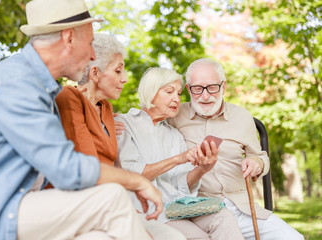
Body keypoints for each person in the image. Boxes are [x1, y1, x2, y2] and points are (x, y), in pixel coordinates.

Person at [0, 0, 164, 239]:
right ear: (69, 38)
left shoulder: (42, 88)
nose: (92, 56)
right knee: (112, 197)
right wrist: (138, 182)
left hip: (23, 204)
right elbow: (67, 168)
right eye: (89, 44)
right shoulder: (15, 82)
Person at [55, 33, 186, 240]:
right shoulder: (69, 98)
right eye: (118, 71)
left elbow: (116, 166)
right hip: (85, 201)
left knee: (175, 237)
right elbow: (89, 167)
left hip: (113, 201)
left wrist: (128, 202)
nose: (124, 78)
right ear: (95, 74)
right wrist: (137, 185)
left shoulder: (106, 108)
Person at [167, 58, 305, 240]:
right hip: (197, 209)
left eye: (212, 87)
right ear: (188, 89)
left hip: (241, 207)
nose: (205, 96)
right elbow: (147, 120)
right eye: (198, 88)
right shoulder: (174, 115)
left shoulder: (242, 117)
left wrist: (256, 163)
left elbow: (260, 156)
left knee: (292, 238)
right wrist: (117, 120)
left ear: (223, 87)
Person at [115, 67, 244, 240]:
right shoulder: (124, 124)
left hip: (179, 207)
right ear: (151, 91)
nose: (176, 99)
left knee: (224, 217)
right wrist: (178, 159)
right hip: (150, 210)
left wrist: (203, 169)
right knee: (199, 237)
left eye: (178, 93)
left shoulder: (174, 135)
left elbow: (181, 184)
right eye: (169, 92)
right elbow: (132, 174)